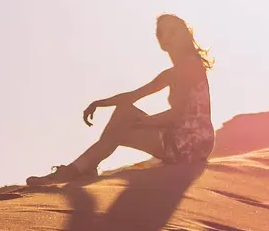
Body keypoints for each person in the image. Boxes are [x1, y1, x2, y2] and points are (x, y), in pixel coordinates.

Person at [28, 13, 214, 185]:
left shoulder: (189, 67)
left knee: (117, 130)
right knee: (124, 113)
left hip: (190, 145)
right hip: (184, 139)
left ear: (185, 35)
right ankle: (83, 167)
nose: (167, 37)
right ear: (161, 43)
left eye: (173, 31)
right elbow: (134, 95)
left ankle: (76, 170)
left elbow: (176, 115)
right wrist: (99, 103)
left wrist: (145, 122)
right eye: (161, 33)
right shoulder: (173, 72)